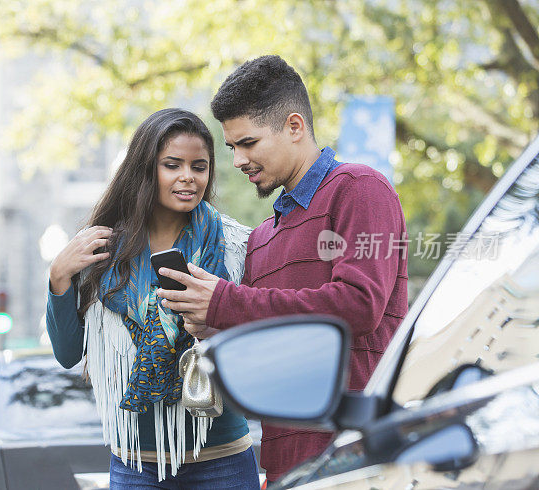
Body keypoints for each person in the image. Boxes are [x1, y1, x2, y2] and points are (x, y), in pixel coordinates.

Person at [156, 55, 409, 482]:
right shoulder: (262, 237)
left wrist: (225, 301)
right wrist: (210, 324)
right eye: (232, 147)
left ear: (295, 127)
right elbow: (265, 342)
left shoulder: (360, 189)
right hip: (282, 464)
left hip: (357, 457)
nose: (237, 160)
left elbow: (359, 305)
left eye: (248, 143)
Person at [45, 108, 261, 488]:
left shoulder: (235, 246)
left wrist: (215, 328)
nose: (188, 177)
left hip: (223, 457)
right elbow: (67, 354)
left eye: (199, 166)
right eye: (172, 164)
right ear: (146, 169)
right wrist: (59, 276)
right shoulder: (99, 251)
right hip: (135, 463)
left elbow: (255, 354)